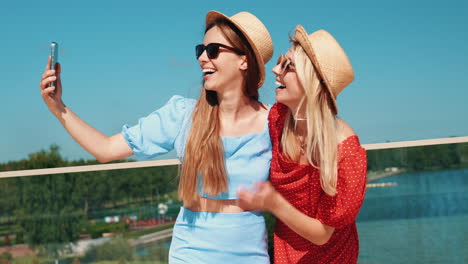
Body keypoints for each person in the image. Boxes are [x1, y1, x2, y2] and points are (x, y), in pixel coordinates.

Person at [39, 11, 274, 263]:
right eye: (200, 50)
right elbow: (105, 149)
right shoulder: (183, 115)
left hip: (249, 254)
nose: (202, 58)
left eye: (214, 50)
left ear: (244, 60)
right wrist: (58, 107)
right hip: (190, 253)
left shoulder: (274, 122)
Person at [237, 25, 367, 264]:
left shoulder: (345, 150)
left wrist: (272, 202)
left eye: (288, 66)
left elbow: (322, 235)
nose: (276, 70)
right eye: (279, 61)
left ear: (312, 82)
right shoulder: (279, 120)